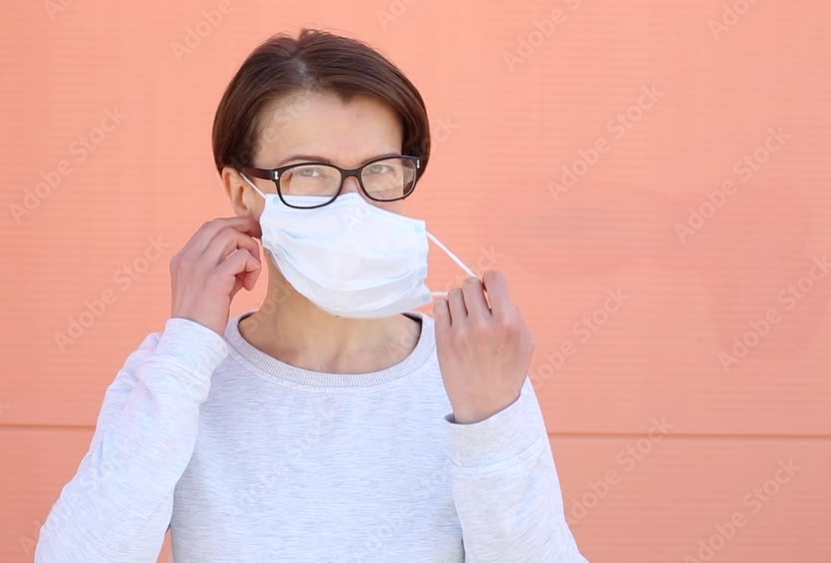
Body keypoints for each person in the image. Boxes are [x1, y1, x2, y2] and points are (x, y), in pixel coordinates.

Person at [35, 28, 587, 562]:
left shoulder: (473, 373)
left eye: (380, 170)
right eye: (309, 173)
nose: (354, 204)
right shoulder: (177, 378)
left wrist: (491, 420)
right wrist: (187, 345)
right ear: (241, 193)